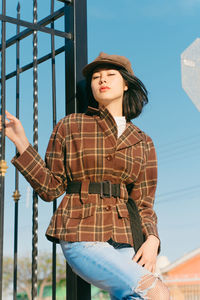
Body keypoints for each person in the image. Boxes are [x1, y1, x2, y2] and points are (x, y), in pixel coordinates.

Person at [0, 52, 170, 299]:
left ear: (125, 85)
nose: (102, 80)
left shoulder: (143, 141)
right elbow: (51, 187)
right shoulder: (71, 125)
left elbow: (143, 202)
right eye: (96, 77)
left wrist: (152, 240)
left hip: (125, 238)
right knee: (156, 292)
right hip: (81, 231)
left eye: (111, 75)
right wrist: (20, 140)